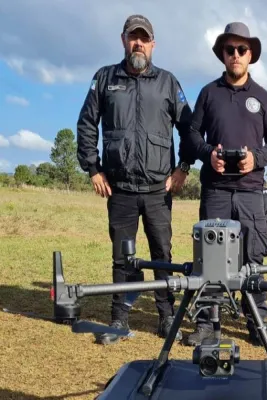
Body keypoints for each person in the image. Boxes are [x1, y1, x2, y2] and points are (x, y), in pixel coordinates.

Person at [76, 14, 194, 345]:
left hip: (158, 189)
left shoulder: (168, 82)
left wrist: (183, 167)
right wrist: (93, 168)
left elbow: (189, 127)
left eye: (144, 38)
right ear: (124, 41)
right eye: (133, 37)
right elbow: (86, 124)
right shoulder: (104, 78)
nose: (138, 43)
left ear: (153, 44)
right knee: (122, 256)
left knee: (162, 254)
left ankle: (166, 316)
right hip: (121, 188)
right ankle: (119, 318)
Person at [181, 22, 267, 347]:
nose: (236, 55)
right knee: (210, 258)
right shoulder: (208, 93)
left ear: (250, 54)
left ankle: (257, 322)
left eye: (242, 49)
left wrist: (257, 158)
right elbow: (192, 135)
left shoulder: (263, 97)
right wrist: (209, 154)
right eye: (230, 50)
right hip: (216, 191)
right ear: (222, 54)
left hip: (252, 191)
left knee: (253, 259)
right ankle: (207, 325)